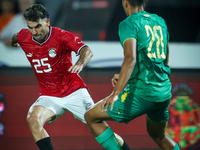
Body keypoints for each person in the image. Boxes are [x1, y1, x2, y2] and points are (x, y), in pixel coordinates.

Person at [10, 4, 130, 150]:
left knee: (98, 128)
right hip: (49, 95)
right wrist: (14, 43)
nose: (34, 32)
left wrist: (80, 63)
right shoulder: (24, 36)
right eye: (31, 27)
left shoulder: (61, 35)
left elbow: (87, 51)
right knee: (33, 119)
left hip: (74, 92)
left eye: (38, 27)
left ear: (48, 22)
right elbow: (15, 37)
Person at [84, 0, 181, 150]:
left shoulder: (128, 24)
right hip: (163, 92)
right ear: (146, 1)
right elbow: (163, 57)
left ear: (125, 1)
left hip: (143, 93)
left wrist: (115, 93)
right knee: (159, 136)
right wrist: (130, 76)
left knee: (91, 117)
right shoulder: (159, 20)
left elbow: (131, 59)